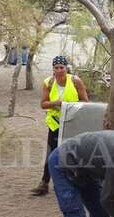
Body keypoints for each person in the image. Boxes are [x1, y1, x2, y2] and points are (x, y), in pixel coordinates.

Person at [31, 56, 89, 196]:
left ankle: (78, 183)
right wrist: (55, 103)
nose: (59, 70)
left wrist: (69, 106)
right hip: (55, 123)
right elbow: (43, 104)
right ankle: (44, 183)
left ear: (66, 68)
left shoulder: (75, 81)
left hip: (73, 122)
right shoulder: (49, 83)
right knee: (51, 153)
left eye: (61, 67)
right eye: (56, 68)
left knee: (73, 152)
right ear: (53, 69)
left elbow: (85, 101)